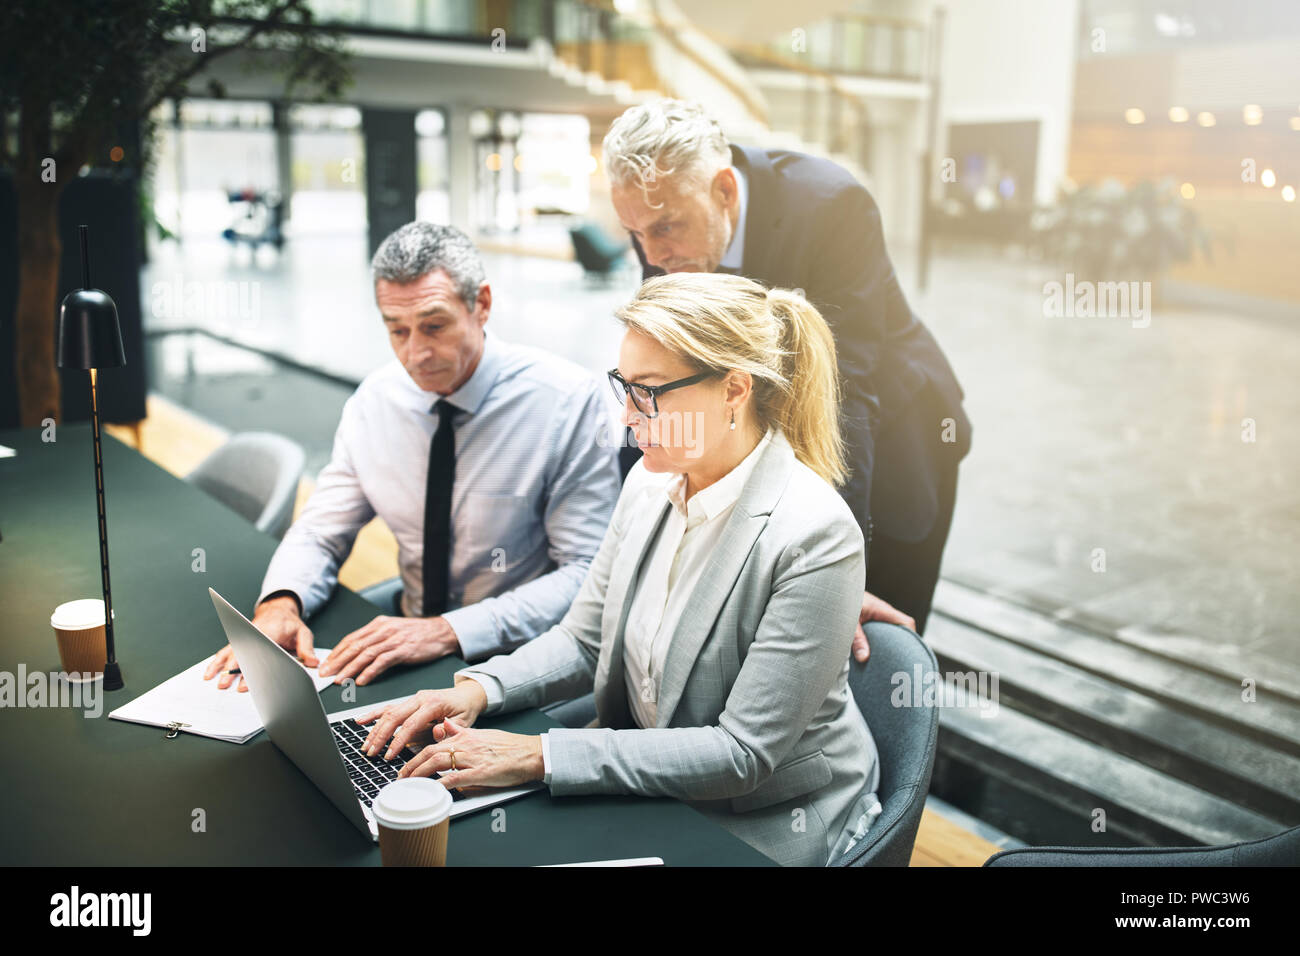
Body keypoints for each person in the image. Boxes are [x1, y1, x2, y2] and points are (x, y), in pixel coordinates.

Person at [358, 272, 882, 867]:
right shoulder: (650, 482)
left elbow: (741, 754)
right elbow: (583, 641)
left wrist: (539, 755)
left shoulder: (815, 535)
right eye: (623, 387)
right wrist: (480, 688)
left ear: (734, 389)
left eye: (650, 392)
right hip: (646, 779)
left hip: (757, 816)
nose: (628, 418)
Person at [602, 99, 972, 643]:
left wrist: (836, 572)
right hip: (782, 423)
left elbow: (844, 393)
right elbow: (662, 371)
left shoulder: (832, 206)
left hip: (897, 436)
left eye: (666, 228)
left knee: (874, 634)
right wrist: (639, 518)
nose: (653, 256)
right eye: (635, 233)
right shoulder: (663, 232)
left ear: (724, 191)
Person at [203, 222, 620, 691]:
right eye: (397, 330)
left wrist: (447, 631)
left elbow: (586, 574)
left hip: (520, 658)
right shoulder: (376, 401)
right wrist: (281, 602)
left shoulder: (566, 402)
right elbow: (322, 529)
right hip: (410, 632)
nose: (415, 353)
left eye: (434, 326)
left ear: (481, 304)